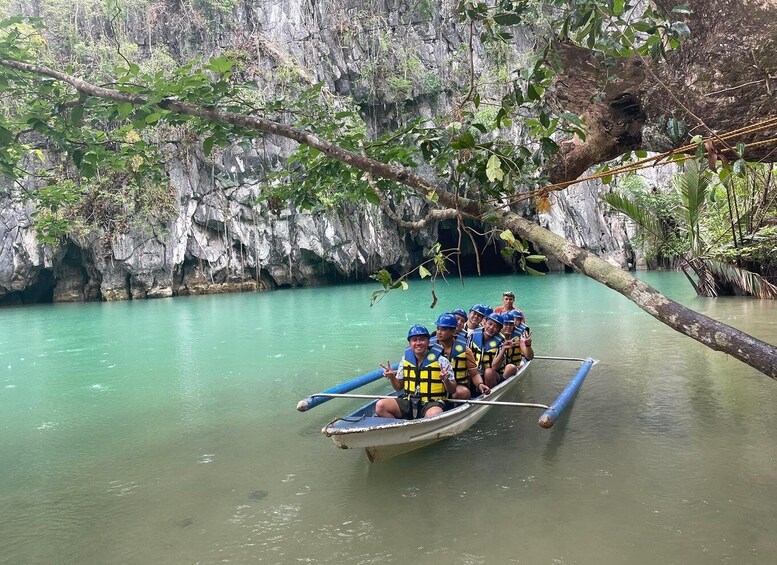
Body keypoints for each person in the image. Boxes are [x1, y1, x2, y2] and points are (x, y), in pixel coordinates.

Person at [375, 325, 459, 419]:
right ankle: (399, 428)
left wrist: (446, 380)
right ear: (410, 343)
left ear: (428, 341)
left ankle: (425, 430)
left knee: (435, 413)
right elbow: (399, 387)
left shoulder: (442, 361)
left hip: (432, 403)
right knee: (380, 406)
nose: (418, 343)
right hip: (409, 401)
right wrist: (392, 377)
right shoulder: (405, 361)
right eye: (414, 340)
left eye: (422, 339)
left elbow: (453, 390)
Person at [431, 313, 490, 399]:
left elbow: (474, 374)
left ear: (452, 331)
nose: (439, 332)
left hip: (457, 386)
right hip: (435, 385)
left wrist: (480, 384)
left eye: (443, 329)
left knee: (462, 392)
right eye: (438, 329)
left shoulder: (465, 350)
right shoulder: (429, 348)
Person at [469, 312, 506, 388]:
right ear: (484, 323)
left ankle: (489, 393)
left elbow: (495, 367)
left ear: (499, 330)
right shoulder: (472, 336)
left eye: (496, 327)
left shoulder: (501, 341)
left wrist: (504, 349)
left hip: (493, 374)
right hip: (475, 371)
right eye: (490, 324)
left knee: (488, 372)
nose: (491, 328)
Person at [498, 311, 534, 380]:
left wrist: (528, 345)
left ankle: (502, 380)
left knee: (509, 368)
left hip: (513, 367)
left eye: (511, 324)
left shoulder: (519, 338)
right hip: (498, 369)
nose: (508, 326)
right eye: (505, 324)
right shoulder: (495, 337)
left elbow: (529, 357)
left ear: (513, 325)